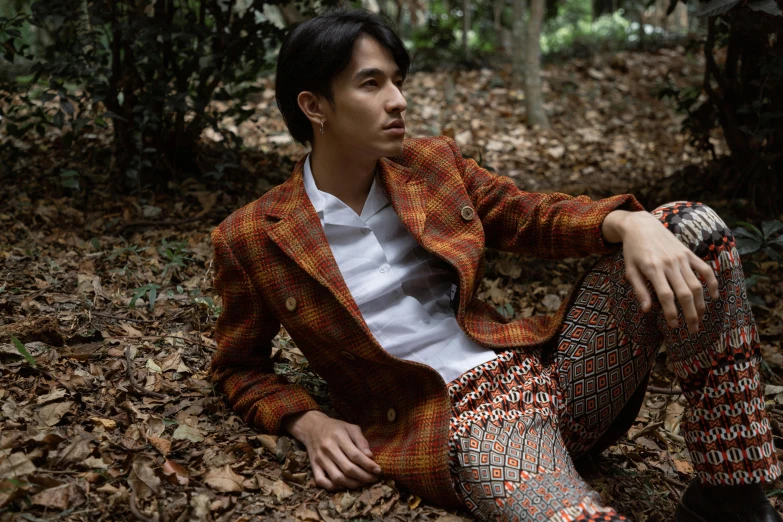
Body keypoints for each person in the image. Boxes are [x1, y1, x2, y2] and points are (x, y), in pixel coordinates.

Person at [207, 7, 782, 521]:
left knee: (688, 225)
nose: (398, 100)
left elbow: (526, 215)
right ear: (314, 106)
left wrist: (629, 222)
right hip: (462, 425)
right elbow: (238, 368)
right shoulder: (254, 236)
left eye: (398, 82)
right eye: (371, 83)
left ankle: (729, 495)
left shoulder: (432, 164)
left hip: (551, 379)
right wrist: (308, 422)